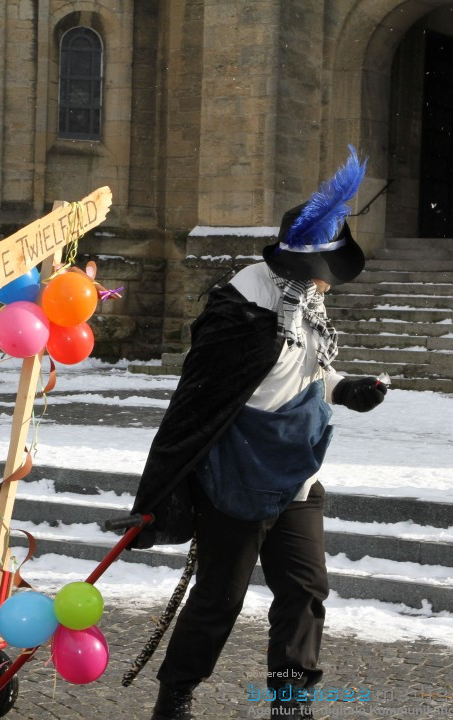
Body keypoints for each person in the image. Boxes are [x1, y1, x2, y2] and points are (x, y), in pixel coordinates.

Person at [128, 147, 389, 719]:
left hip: (296, 476)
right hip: (237, 479)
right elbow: (197, 405)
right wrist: (160, 493)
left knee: (305, 590)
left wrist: (346, 388)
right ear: (302, 270)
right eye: (326, 276)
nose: (330, 287)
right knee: (220, 599)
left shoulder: (307, 308)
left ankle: (290, 704)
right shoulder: (239, 312)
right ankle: (176, 694)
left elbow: (307, 373)